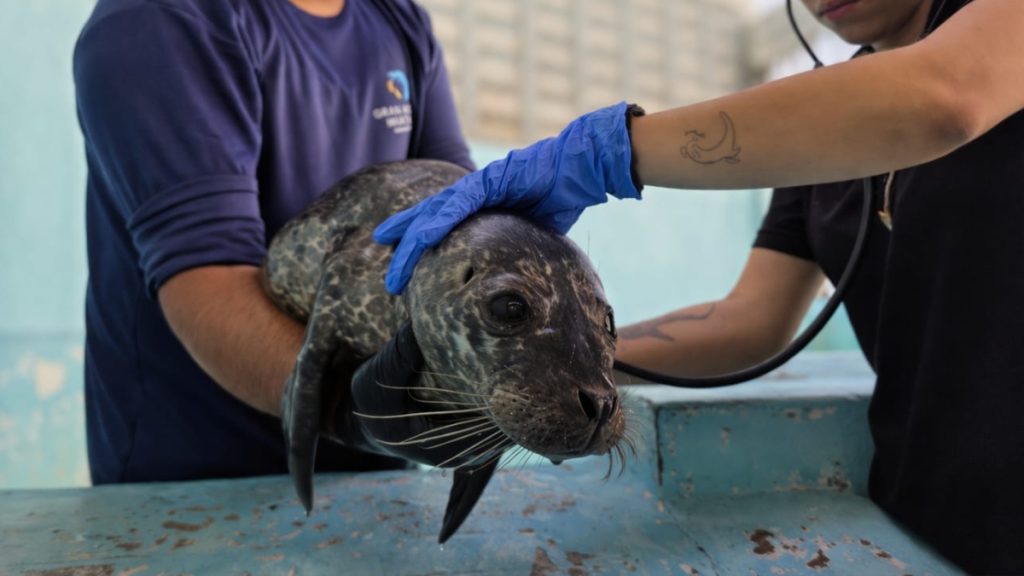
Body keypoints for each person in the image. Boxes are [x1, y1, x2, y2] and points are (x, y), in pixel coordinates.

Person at [373, 0, 1024, 572]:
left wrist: (608, 152)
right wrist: (543, 368)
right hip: (932, 513)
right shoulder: (826, 130)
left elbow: (945, 95)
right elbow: (749, 322)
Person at [73, 0, 476, 485]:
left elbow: (461, 223)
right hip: (199, 481)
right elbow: (210, 282)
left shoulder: (396, 19)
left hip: (373, 474)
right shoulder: (160, 19)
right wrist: (352, 408)